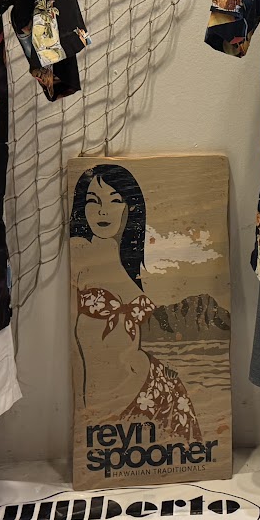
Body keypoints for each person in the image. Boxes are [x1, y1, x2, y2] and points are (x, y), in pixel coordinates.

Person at [68, 164, 201, 440]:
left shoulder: (128, 263)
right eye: (93, 201)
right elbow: (76, 342)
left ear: (129, 208)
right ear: (82, 206)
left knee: (181, 451)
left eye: (115, 200)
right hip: (109, 398)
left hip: (151, 387)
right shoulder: (81, 251)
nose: (103, 211)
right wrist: (84, 406)